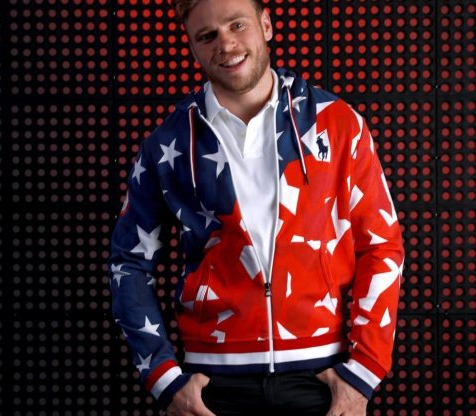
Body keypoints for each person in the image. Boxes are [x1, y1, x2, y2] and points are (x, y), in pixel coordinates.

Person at [109, 0, 404, 414]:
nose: (226, 44)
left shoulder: (337, 124)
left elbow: (382, 246)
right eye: (207, 36)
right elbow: (129, 263)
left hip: (322, 377)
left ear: (265, 25)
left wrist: (365, 372)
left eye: (237, 25)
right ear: (193, 47)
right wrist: (165, 379)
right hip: (213, 385)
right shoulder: (167, 145)